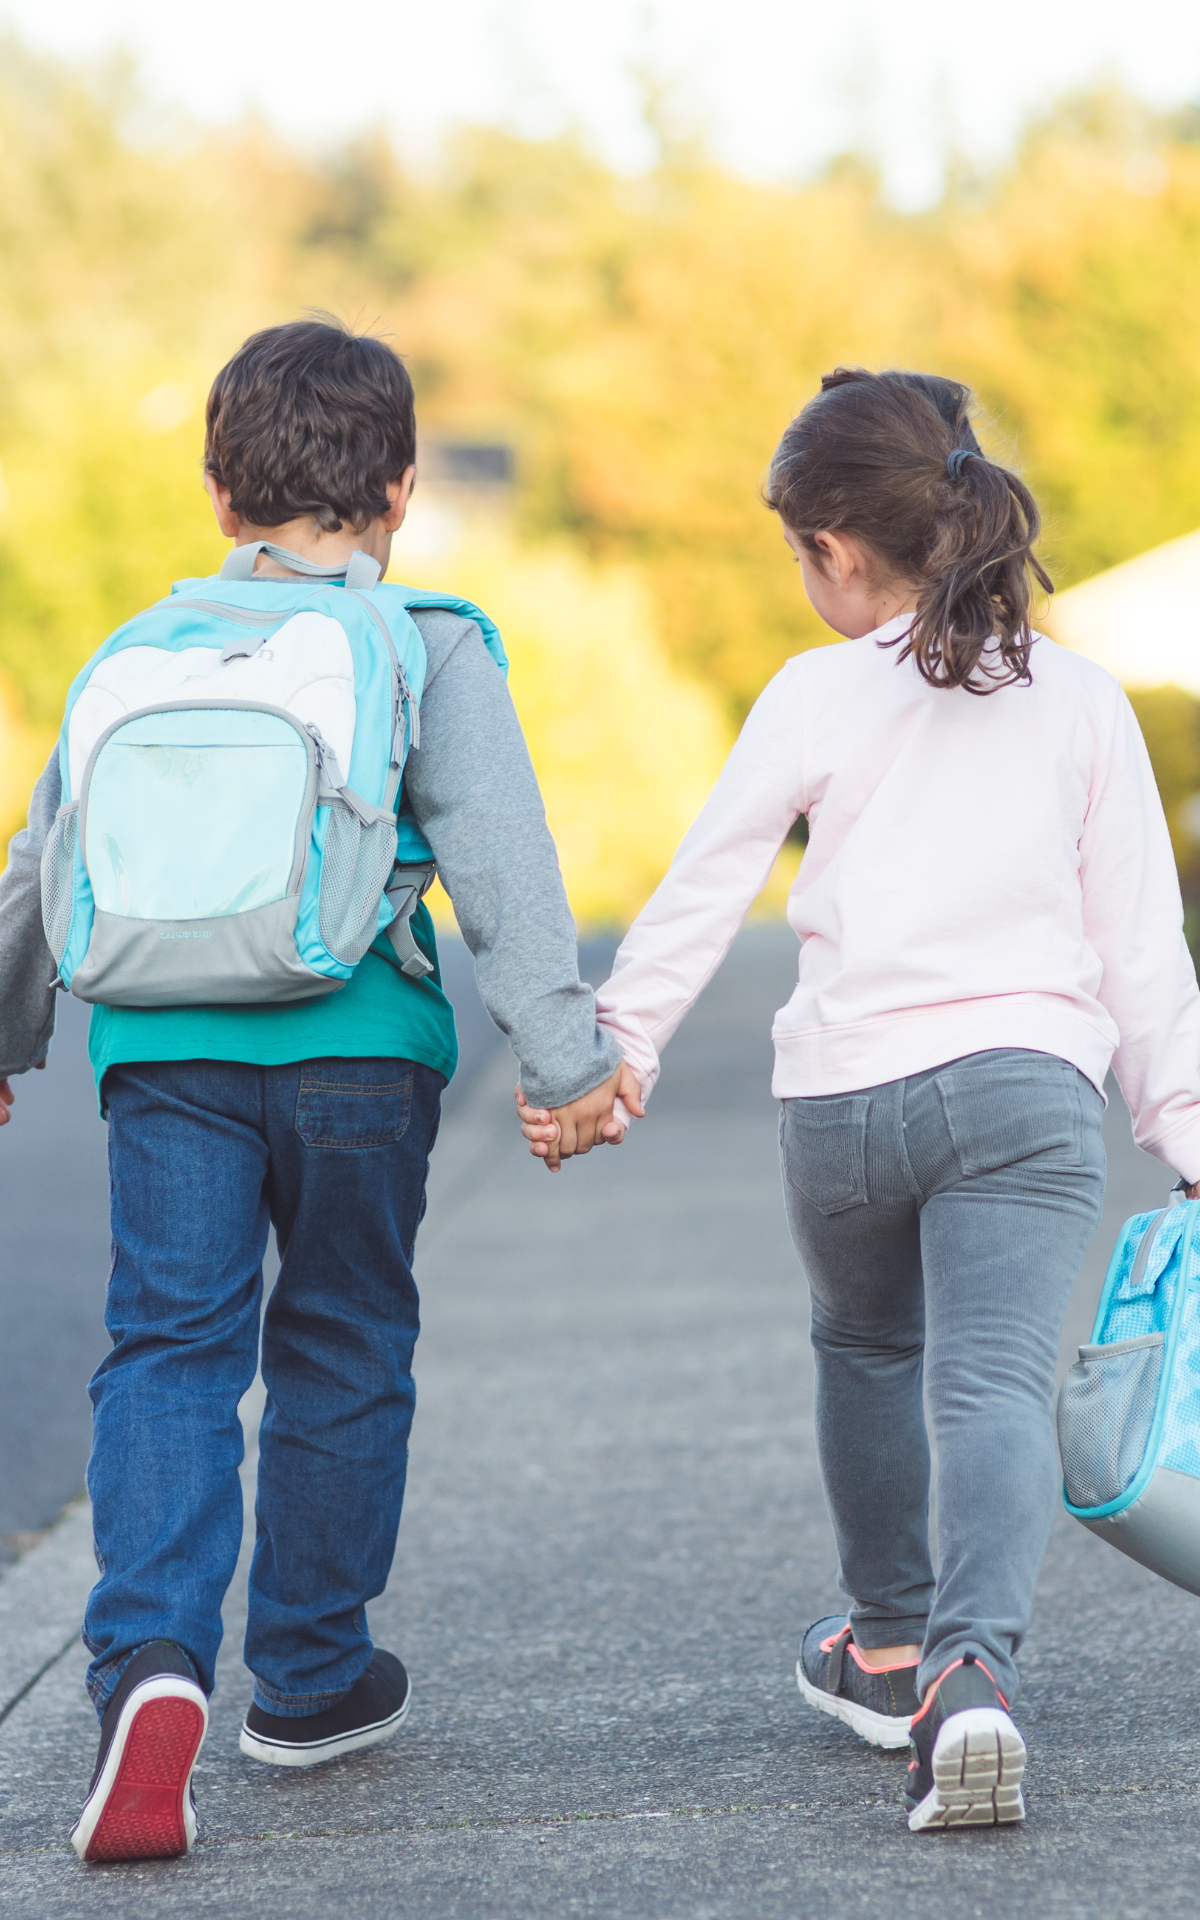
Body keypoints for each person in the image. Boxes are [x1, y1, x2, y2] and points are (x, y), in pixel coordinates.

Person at [517, 366, 1200, 1832]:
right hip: (1024, 1091)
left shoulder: (812, 692)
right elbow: (1143, 946)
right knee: (994, 1382)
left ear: (835, 549)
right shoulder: (1080, 699)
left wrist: (612, 1058)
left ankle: (883, 1643)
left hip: (845, 1101)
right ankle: (974, 1678)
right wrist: (1189, 1134)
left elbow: (702, 888)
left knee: (868, 1348)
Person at [0, 317, 635, 1863]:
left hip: (164, 1058)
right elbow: (503, 867)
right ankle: (306, 1677)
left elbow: (45, 861)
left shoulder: (135, 650)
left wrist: (6, 1034)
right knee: (344, 1337)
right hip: (357, 1050)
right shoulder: (426, 637)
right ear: (403, 488)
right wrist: (568, 1067)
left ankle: (151, 1665)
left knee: (167, 1348)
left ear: (217, 496)